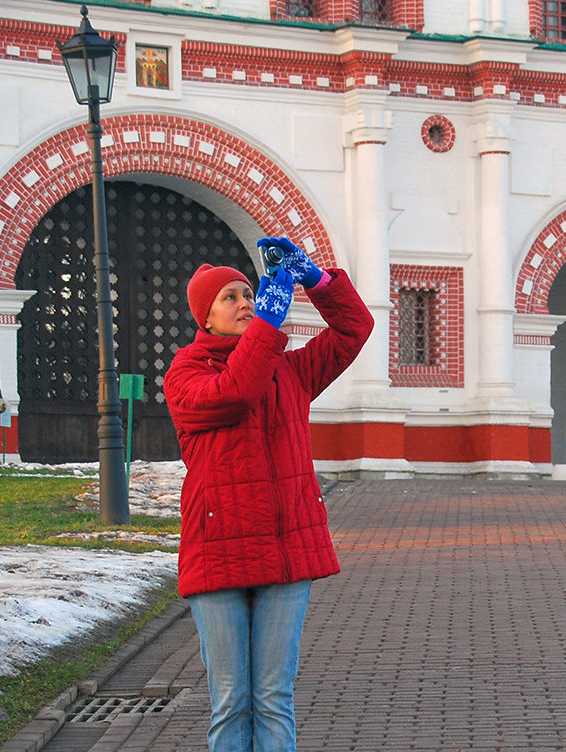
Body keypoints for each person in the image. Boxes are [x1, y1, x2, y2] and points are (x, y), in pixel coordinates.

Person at [163, 237, 372, 752]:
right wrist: (268, 327)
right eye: (230, 297)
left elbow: (354, 330)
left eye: (249, 294)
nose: (246, 303)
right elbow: (235, 391)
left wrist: (316, 279)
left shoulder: (289, 370)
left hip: (285, 554)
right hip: (219, 555)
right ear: (205, 318)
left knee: (275, 696)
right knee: (232, 699)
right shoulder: (186, 373)